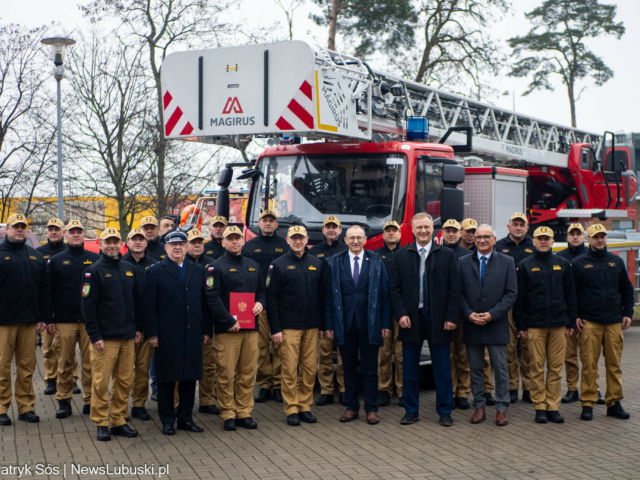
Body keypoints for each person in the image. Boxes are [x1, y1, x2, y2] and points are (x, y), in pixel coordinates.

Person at [390, 213, 460, 426]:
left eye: (427, 227)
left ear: (433, 229)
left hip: (439, 319)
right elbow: (394, 289)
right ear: (412, 229)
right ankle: (411, 410)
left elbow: (454, 289)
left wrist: (451, 317)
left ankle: (445, 411)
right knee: (409, 368)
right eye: (419, 227)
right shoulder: (401, 255)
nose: (423, 231)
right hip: (411, 319)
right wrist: (401, 314)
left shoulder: (446, 254)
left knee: (442, 368)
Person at [143, 230, 213, 435]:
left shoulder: (198, 270)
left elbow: (204, 303)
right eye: (173, 245)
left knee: (189, 377)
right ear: (165, 248)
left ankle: (185, 418)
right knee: (166, 378)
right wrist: (152, 333)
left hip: (192, 332)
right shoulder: (155, 271)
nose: (177, 248)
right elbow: (149, 306)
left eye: (181, 244)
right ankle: (167, 419)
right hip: (167, 334)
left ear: (187, 247)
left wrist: (206, 330)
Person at [325, 225, 391, 425]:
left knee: (371, 369)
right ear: (345, 241)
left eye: (359, 238)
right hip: (344, 324)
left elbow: (385, 296)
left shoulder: (377, 262)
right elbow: (328, 297)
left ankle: (371, 409)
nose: (355, 241)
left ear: (365, 240)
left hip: (370, 323)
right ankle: (352, 408)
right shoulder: (334, 262)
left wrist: (385, 323)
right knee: (349, 369)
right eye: (351, 238)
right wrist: (329, 324)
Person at [81, 228, 141, 442]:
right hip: (104, 339)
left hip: (127, 337)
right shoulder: (93, 271)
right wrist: (94, 335)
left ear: (121, 244)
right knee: (100, 381)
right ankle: (101, 422)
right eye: (108, 242)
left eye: (115, 242)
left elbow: (135, 302)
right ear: (101, 244)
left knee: (125, 381)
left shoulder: (128, 268)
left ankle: (118, 420)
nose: (112, 245)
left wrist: (137, 328)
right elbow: (88, 306)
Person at [514, 226, 577, 424]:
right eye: (539, 238)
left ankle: (553, 407)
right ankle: (539, 407)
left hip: (559, 325)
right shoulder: (524, 265)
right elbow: (519, 299)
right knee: (536, 368)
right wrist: (521, 325)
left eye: (547, 238)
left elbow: (570, 295)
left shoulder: (563, 264)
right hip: (535, 325)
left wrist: (570, 321)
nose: (543, 242)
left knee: (556, 368)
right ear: (533, 241)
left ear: (552, 242)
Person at [572, 224, 634, 421]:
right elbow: (572, 294)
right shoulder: (579, 263)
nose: (600, 240)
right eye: (595, 237)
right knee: (589, 364)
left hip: (614, 322)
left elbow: (626, 288)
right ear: (588, 239)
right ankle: (588, 403)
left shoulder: (616, 261)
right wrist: (576, 315)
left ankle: (614, 403)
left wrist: (628, 313)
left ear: (606, 238)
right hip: (590, 322)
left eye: (602, 236)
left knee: (614, 364)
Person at [207, 226, 266, 431]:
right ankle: (228, 413)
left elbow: (261, 290)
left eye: (237, 238)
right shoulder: (215, 267)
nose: (234, 242)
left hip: (251, 328)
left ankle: (244, 412)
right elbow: (212, 297)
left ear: (243, 241)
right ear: (222, 242)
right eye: (229, 239)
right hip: (228, 330)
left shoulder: (253, 265)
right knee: (226, 373)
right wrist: (228, 321)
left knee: (248, 372)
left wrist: (261, 302)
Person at [458, 224, 516, 427]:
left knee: (500, 368)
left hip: (496, 324)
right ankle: (479, 407)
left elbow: (511, 294)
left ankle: (501, 408)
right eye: (478, 237)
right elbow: (459, 293)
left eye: (486, 237)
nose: (482, 240)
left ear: (494, 239)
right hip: (472, 323)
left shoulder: (507, 261)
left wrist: (492, 315)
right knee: (475, 368)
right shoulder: (463, 262)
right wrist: (468, 314)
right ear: (474, 240)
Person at [267, 226, 324, 426]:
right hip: (289, 327)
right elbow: (271, 299)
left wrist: (323, 326)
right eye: (294, 238)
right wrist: (275, 328)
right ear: (287, 240)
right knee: (290, 368)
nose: (298, 242)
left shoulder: (317, 263)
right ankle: (291, 408)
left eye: (301, 238)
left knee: (309, 369)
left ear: (307, 239)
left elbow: (323, 297)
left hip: (312, 326)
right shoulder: (277, 265)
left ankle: (304, 406)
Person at [0, 214, 50, 426]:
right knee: (2, 368)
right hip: (4, 322)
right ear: (8, 229)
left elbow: (44, 290)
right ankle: (2, 408)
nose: (19, 230)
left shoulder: (35, 256)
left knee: (27, 368)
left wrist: (44, 317)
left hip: (30, 322)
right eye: (15, 227)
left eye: (23, 227)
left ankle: (26, 407)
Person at [47, 220, 100, 419]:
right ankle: (63, 401)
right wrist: (48, 318)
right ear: (65, 235)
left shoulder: (95, 259)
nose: (76, 235)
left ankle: (90, 400)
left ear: (84, 235)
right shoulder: (57, 261)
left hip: (89, 322)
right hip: (64, 320)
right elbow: (49, 291)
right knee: (64, 362)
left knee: (90, 363)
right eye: (72, 232)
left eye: (79, 232)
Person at [243, 210, 288, 403]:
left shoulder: (285, 246)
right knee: (261, 346)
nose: (268, 223)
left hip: (280, 303)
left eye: (272, 220)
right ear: (259, 223)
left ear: (277, 224)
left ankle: (278, 384)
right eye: (264, 220)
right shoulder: (249, 246)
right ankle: (264, 384)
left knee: (280, 345)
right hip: (258, 304)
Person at [557, 223, 604, 405]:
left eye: (579, 234)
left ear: (585, 237)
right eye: (572, 234)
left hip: (588, 315)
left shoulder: (591, 256)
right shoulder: (559, 257)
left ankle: (594, 389)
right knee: (569, 356)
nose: (575, 237)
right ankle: (572, 389)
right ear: (567, 237)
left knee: (590, 356)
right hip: (568, 314)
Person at [495, 212, 534, 404]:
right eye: (515, 224)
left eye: (522, 224)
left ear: (527, 228)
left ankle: (528, 388)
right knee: (509, 347)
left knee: (528, 348)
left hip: (528, 303)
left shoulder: (533, 246)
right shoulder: (499, 246)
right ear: (508, 226)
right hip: (507, 304)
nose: (518, 227)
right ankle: (512, 387)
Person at [309, 215, 347, 406]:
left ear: (341, 231)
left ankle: (344, 389)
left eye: (335, 227)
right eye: (328, 227)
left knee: (343, 353)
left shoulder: (348, 250)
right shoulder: (314, 252)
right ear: (323, 230)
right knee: (324, 353)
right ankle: (326, 391)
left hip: (345, 308)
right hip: (323, 307)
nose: (331, 230)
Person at [37, 217, 76, 396]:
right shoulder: (38, 253)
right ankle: (51, 379)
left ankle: (72, 379)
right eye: (50, 229)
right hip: (47, 307)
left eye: (57, 229)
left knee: (68, 349)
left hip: (65, 308)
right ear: (46, 232)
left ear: (64, 232)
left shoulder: (71, 251)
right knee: (48, 347)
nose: (54, 232)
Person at [122, 228, 158, 421]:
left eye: (141, 239)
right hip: (125, 327)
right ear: (127, 242)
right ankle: (121, 407)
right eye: (133, 239)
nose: (138, 242)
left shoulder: (154, 266)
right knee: (124, 371)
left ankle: (138, 404)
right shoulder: (120, 264)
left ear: (146, 243)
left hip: (146, 326)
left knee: (143, 369)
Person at [186, 229, 219, 415]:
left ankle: (207, 401)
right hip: (186, 322)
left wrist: (208, 327)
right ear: (186, 245)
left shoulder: (213, 265)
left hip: (207, 321)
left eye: (200, 242)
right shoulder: (181, 265)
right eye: (193, 242)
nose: (197, 245)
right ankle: (180, 402)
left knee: (208, 364)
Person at [375, 221, 403, 408]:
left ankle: (402, 391)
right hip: (382, 311)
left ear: (400, 234)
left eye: (395, 231)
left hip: (401, 312)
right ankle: (384, 390)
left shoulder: (407, 253)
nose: (391, 234)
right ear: (383, 235)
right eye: (388, 231)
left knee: (402, 355)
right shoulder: (376, 256)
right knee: (383, 354)